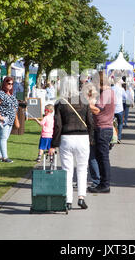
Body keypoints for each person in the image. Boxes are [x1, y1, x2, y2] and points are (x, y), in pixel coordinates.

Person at [49, 76, 94, 210]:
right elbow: (90, 122)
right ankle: (81, 197)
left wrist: (53, 144)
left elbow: (57, 125)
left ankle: (68, 199)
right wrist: (91, 138)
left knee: (67, 170)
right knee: (82, 169)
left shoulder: (60, 103)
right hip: (82, 138)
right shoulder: (84, 101)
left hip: (66, 137)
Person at [88, 72, 115, 194]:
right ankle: (103, 183)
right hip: (105, 127)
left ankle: (105, 184)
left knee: (103, 158)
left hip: (103, 128)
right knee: (101, 157)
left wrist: (86, 104)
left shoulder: (106, 93)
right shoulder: (109, 92)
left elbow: (97, 109)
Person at [0, 76, 19, 163]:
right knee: (3, 137)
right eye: (8, 83)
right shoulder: (1, 94)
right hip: (4, 119)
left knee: (4, 138)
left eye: (12, 84)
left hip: (10, 120)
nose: (10, 85)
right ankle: (5, 157)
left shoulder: (11, 95)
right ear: (5, 84)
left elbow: (14, 107)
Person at [112, 77, 126, 143]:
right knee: (120, 123)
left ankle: (113, 137)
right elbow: (125, 97)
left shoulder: (111, 89)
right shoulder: (121, 89)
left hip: (112, 109)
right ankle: (119, 138)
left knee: (111, 124)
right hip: (119, 108)